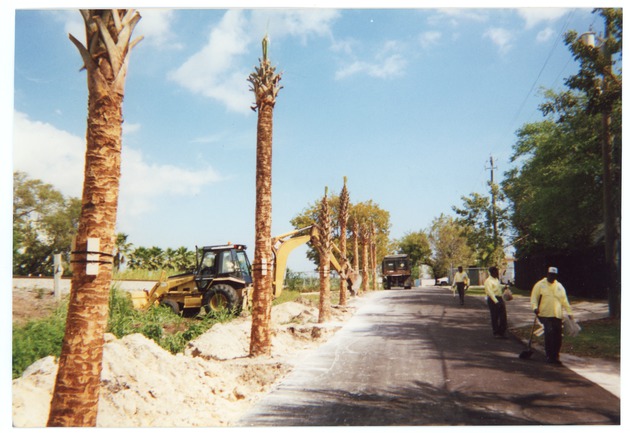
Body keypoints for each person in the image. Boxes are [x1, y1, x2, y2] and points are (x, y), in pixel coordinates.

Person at [530, 267, 574, 365]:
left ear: (556, 276)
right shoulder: (540, 285)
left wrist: (569, 312)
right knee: (549, 334)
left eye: (553, 275)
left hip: (557, 315)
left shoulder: (559, 286)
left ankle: (555, 356)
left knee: (558, 336)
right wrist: (535, 308)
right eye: (550, 274)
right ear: (547, 274)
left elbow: (565, 301)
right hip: (544, 314)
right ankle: (549, 356)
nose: (551, 277)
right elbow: (534, 298)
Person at [484, 266, 507, 338]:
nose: (497, 273)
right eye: (496, 272)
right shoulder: (488, 281)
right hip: (493, 299)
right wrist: (496, 302)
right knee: (495, 316)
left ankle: (501, 332)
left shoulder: (496, 279)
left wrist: (503, 287)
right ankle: (496, 332)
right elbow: (490, 293)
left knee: (503, 316)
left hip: (499, 298)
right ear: (492, 272)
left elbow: (498, 287)